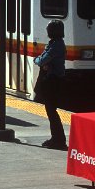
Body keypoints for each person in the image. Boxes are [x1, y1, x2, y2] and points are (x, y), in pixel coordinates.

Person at [33, 20, 67, 150]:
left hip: (53, 81)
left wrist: (37, 60)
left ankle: (59, 139)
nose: (47, 31)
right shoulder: (55, 43)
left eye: (49, 29)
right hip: (51, 80)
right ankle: (56, 138)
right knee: (50, 111)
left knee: (52, 111)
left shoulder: (56, 45)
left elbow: (42, 60)